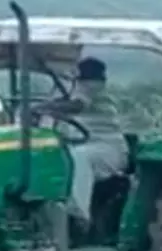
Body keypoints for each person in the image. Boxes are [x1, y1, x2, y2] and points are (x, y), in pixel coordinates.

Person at [38, 57, 128, 225]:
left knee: (78, 156)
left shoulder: (93, 92)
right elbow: (64, 104)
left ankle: (78, 215)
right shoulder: (74, 92)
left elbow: (77, 105)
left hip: (108, 149)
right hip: (85, 144)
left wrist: (43, 108)